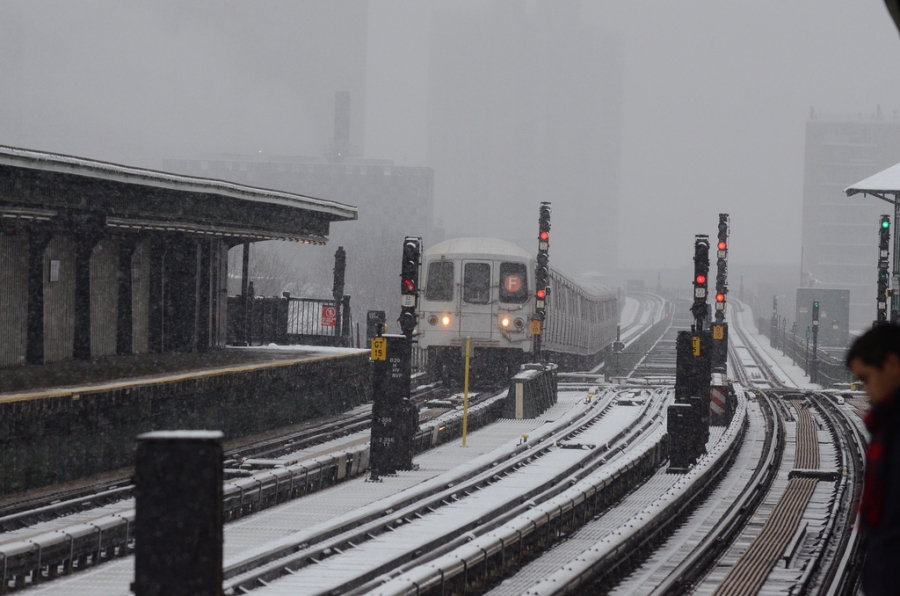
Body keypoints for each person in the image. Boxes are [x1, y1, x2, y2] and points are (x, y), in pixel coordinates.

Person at [846, 324, 900, 596]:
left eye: (866, 379)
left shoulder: (892, 426)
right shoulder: (887, 423)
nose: (866, 391)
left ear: (892, 364)